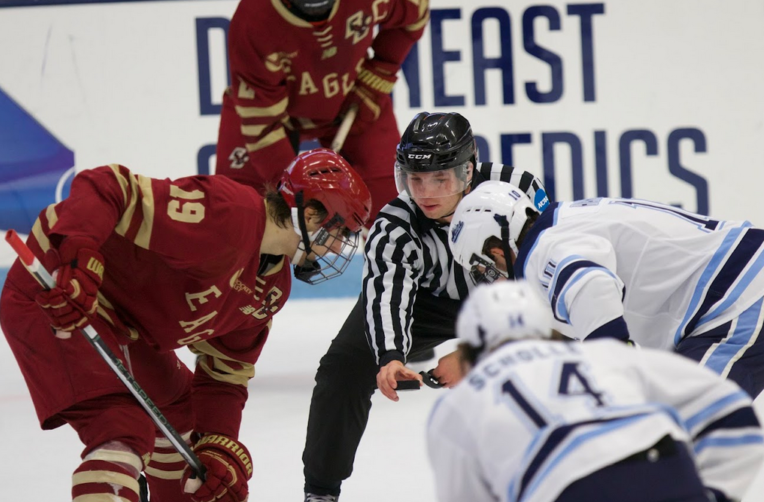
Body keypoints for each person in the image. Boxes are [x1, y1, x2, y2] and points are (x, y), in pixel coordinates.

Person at [0, 149, 371, 502]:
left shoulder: (273, 288)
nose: (340, 248)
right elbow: (107, 186)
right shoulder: (228, 213)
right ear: (309, 215)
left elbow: (226, 373)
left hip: (125, 325)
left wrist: (218, 445)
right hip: (57, 290)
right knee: (121, 426)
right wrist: (77, 259)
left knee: (184, 425)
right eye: (341, 231)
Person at [300, 112, 550, 501]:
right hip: (429, 303)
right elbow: (387, 291)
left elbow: (544, 277)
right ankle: (320, 491)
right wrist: (390, 355)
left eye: (440, 178)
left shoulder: (517, 189)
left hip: (506, 291)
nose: (426, 192)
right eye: (414, 179)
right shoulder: (395, 226)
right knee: (343, 370)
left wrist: (475, 354)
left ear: (468, 172)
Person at [427, 280, 764, 502]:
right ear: (549, 331)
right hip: (666, 464)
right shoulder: (602, 353)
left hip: (567, 489)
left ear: (469, 350)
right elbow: (729, 406)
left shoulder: (458, 403)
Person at [448, 181, 764, 398]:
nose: (495, 279)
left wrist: (616, 365)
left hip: (738, 301)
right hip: (738, 292)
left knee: (677, 429)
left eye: (484, 269)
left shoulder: (544, 250)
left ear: (496, 250)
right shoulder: (562, 221)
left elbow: (590, 283)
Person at [216, 0, 429, 224]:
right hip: (265, 113)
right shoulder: (253, 20)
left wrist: (379, 73)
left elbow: (416, 11)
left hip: (351, 96)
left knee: (395, 216)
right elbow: (262, 126)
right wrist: (300, 195)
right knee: (241, 219)